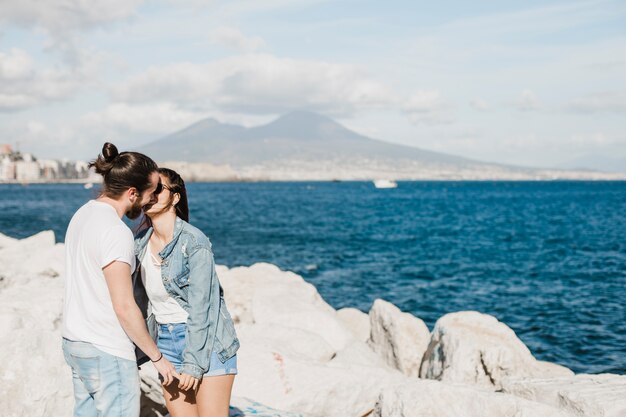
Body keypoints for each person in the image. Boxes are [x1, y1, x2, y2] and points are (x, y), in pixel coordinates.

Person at [62, 142, 178, 417]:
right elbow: (124, 306)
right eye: (152, 192)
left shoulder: (82, 215)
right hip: (107, 348)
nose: (153, 200)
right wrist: (158, 358)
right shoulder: (116, 232)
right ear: (132, 192)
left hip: (76, 343)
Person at [134, 167, 239, 417]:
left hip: (208, 343)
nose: (151, 193)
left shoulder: (194, 242)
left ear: (176, 197)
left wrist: (194, 362)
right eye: (148, 188)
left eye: (159, 188)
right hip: (166, 344)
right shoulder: (139, 242)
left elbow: (203, 308)